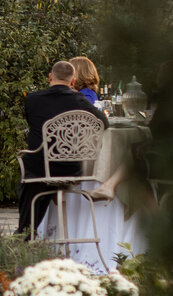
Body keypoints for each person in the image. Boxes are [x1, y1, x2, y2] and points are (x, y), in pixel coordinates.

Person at [17, 60, 108, 235]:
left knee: (30, 176)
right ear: (73, 82)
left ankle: (26, 230)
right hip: (71, 167)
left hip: (39, 167)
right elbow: (103, 123)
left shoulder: (32, 99)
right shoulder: (79, 100)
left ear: (50, 77)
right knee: (42, 175)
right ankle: (29, 231)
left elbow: (34, 123)